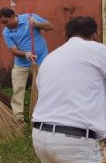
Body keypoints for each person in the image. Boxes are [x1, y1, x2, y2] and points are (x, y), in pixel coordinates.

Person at [32, 16, 106, 162]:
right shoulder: (99, 50)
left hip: (40, 136)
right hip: (75, 141)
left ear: (66, 35)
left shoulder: (50, 57)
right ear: (95, 35)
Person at [0, 7, 53, 121]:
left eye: (6, 22)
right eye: (2, 23)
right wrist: (26, 54)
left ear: (13, 17)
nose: (5, 25)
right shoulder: (6, 32)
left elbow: (50, 26)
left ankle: (42, 114)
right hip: (21, 62)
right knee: (18, 88)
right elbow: (13, 50)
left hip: (40, 59)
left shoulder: (30, 17)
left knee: (43, 87)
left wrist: (36, 24)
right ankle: (18, 117)